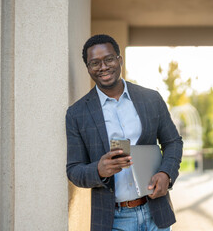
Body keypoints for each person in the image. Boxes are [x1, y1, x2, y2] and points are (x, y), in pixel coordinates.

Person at [66, 34, 183, 231]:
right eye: (95, 63)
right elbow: (74, 170)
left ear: (119, 60)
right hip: (113, 220)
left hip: (155, 213)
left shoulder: (151, 99)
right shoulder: (77, 113)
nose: (103, 67)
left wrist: (166, 173)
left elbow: (173, 142)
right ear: (88, 68)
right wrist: (98, 170)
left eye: (109, 59)